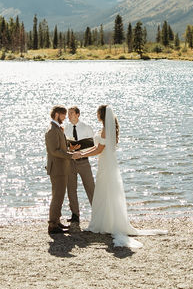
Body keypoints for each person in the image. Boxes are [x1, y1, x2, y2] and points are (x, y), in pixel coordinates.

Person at [72, 105, 165, 248]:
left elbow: (99, 149)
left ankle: (104, 224)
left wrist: (81, 154)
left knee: (104, 192)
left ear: (101, 115)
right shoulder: (107, 130)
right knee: (106, 193)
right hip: (107, 163)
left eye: (97, 113)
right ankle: (107, 222)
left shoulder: (104, 130)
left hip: (105, 165)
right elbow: (97, 147)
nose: (96, 115)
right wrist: (82, 151)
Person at [64, 106, 95, 224]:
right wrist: (70, 148)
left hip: (84, 162)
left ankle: (96, 212)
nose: (69, 116)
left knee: (90, 187)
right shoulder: (65, 129)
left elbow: (93, 145)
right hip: (70, 162)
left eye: (71, 113)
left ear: (78, 114)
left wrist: (80, 149)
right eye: (68, 114)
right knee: (71, 189)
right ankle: (75, 215)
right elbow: (63, 146)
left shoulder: (86, 128)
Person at [45, 106, 72, 234]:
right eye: (63, 115)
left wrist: (70, 149)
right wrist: (71, 155)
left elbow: (60, 147)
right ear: (57, 114)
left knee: (60, 196)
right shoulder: (52, 130)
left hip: (61, 168)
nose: (65, 117)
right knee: (57, 196)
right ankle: (52, 225)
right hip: (57, 168)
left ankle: (56, 221)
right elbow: (54, 151)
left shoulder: (57, 129)